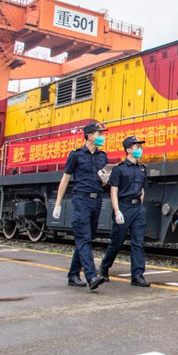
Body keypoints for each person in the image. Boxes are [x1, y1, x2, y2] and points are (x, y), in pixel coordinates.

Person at [52, 123, 109, 291]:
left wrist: (105, 180)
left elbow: (106, 182)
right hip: (81, 200)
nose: (101, 137)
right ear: (89, 136)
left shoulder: (102, 157)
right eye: (99, 134)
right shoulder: (76, 155)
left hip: (96, 200)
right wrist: (58, 204)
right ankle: (91, 276)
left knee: (86, 237)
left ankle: (73, 274)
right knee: (83, 237)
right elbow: (65, 179)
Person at [100, 136, 150, 287]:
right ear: (128, 150)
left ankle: (137, 275)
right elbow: (113, 191)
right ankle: (104, 267)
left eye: (140, 147)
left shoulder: (142, 169)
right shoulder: (119, 169)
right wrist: (117, 211)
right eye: (136, 147)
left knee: (138, 242)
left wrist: (141, 204)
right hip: (123, 207)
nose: (139, 150)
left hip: (137, 209)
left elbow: (142, 188)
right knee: (117, 241)